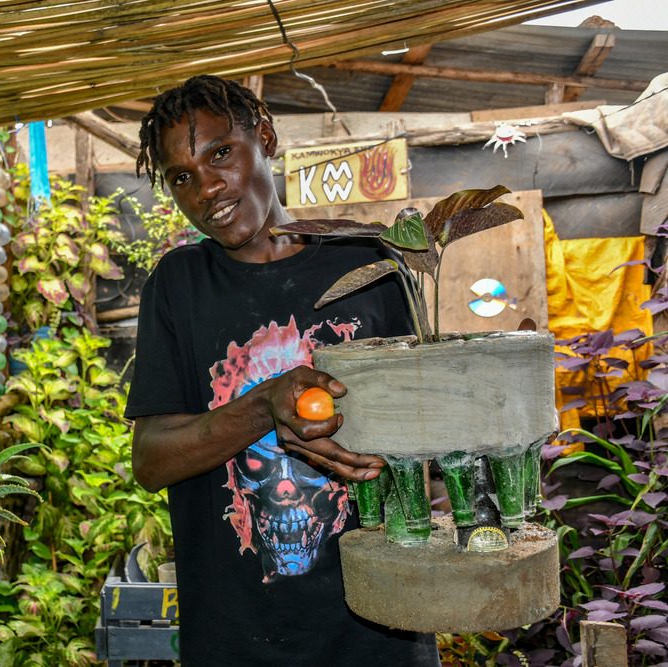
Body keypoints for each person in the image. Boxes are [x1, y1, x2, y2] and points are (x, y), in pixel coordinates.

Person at [125, 75, 441, 666]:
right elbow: (151, 461)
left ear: (264, 139)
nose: (207, 188)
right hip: (236, 636)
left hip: (381, 631)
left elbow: (429, 441)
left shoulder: (371, 263)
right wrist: (263, 404)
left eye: (220, 154)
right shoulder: (179, 286)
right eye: (181, 177)